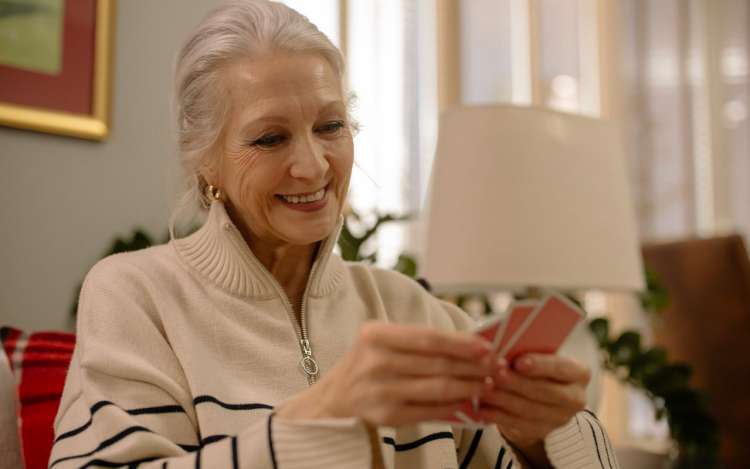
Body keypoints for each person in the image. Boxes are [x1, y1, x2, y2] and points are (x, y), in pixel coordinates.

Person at [49, 1, 620, 468]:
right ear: (206, 161)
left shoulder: (410, 309)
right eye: (270, 139)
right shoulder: (136, 295)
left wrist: (547, 435)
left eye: (330, 126)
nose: (314, 166)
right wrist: (321, 417)